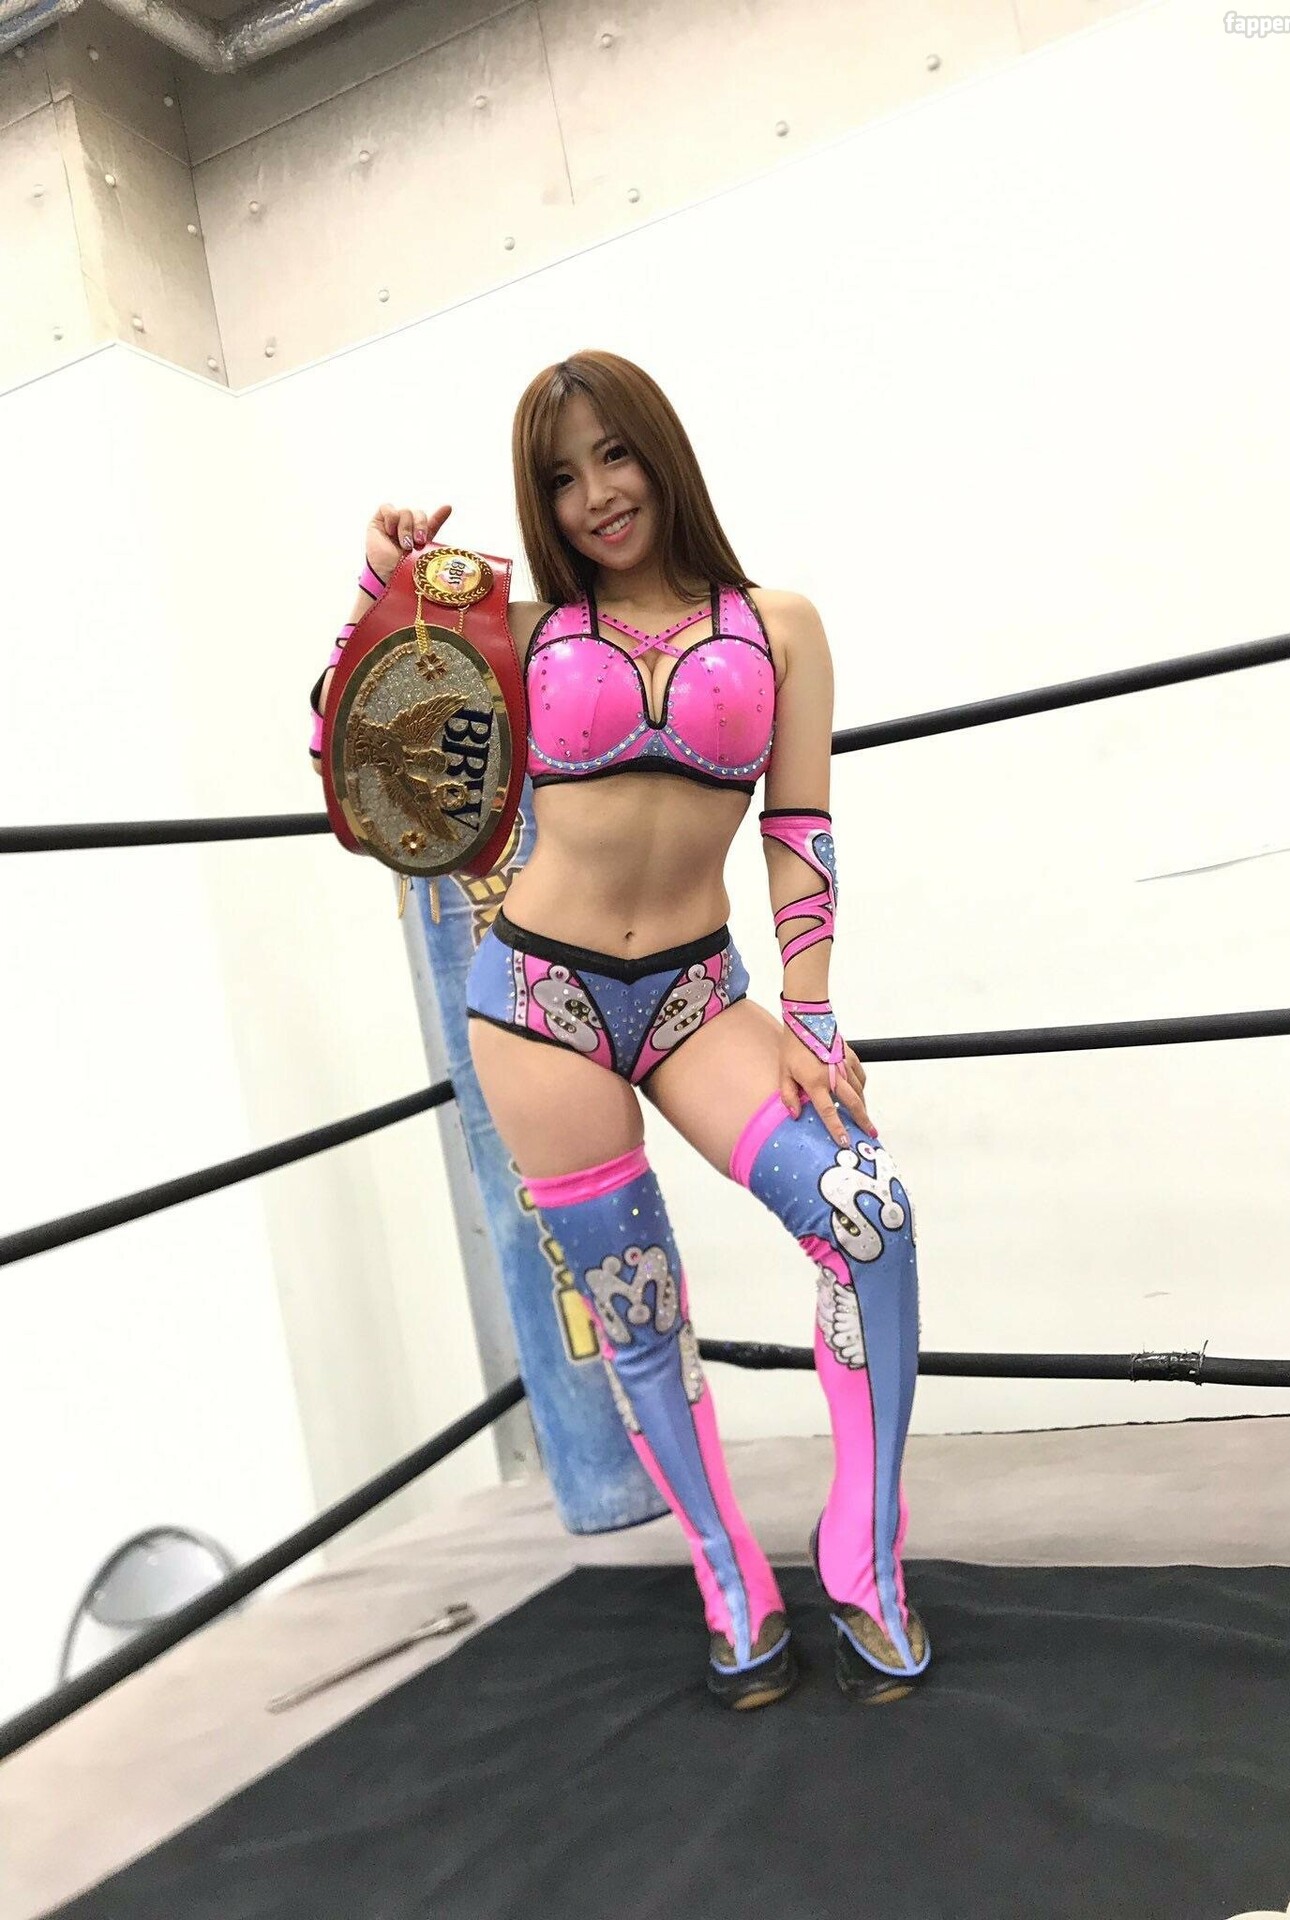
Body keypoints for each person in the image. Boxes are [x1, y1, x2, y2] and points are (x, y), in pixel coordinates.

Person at [316, 350, 929, 1710]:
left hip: (701, 998)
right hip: (540, 1004)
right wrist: (381, 590)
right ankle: (729, 1577)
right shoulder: (519, 635)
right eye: (561, 476)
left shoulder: (780, 625)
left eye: (615, 454)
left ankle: (865, 1557)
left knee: (866, 1211)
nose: (596, 493)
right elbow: (348, 762)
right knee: (640, 1312)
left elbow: (799, 824)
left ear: (661, 452)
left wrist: (812, 1015)